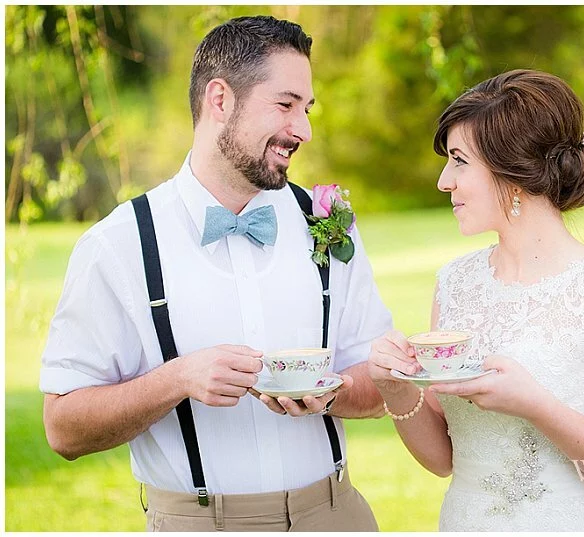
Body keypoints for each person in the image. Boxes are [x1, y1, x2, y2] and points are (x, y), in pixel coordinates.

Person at [40, 15, 390, 532]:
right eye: (286, 104)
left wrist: (330, 390)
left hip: (336, 516)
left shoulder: (327, 222)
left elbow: (382, 381)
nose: (304, 130)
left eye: (307, 108)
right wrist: (177, 379)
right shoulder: (118, 245)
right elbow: (63, 429)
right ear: (220, 99)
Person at [368, 70, 584, 531]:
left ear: (516, 175)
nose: (444, 180)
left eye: (459, 161)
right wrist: (396, 389)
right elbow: (444, 459)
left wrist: (536, 405)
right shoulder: (455, 284)